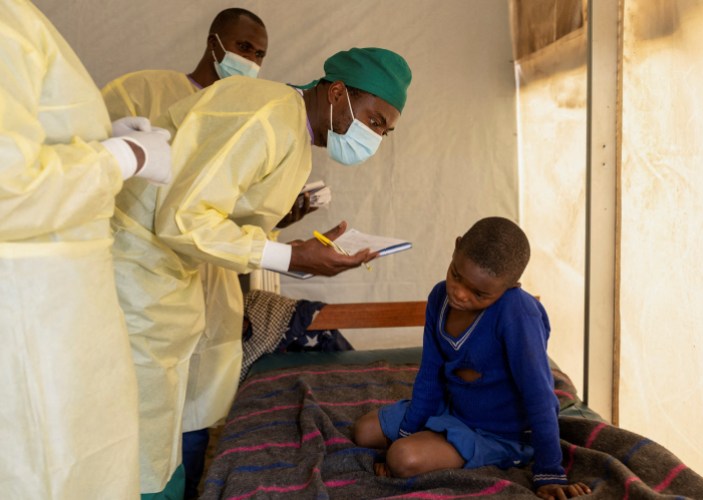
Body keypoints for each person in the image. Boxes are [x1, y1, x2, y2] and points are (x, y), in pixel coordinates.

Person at [107, 47, 412, 498]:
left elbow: (227, 217)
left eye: (386, 130)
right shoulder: (268, 116)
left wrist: (298, 247)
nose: (377, 136)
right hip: (138, 270)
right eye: (375, 120)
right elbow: (184, 219)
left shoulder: (294, 133)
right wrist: (291, 258)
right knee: (135, 424)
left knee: (167, 415)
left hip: (172, 273)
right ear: (337, 91)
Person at [0, 1, 172, 498]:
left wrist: (101, 138)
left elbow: (27, 135)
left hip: (59, 309)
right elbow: (9, 189)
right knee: (49, 472)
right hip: (33, 318)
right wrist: (124, 156)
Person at [101, 9, 271, 497]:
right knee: (135, 415)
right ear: (215, 41)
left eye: (259, 54)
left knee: (195, 416)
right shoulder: (144, 91)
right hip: (138, 287)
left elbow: (232, 217)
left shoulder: (244, 117)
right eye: (243, 47)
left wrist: (285, 218)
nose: (251, 60)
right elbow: (94, 165)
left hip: (210, 291)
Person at [351, 217, 592, 500]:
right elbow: (430, 373)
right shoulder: (439, 297)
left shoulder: (518, 313)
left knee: (403, 459)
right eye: (456, 275)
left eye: (479, 293)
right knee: (363, 432)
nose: (460, 293)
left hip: (499, 432)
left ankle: (505, 455)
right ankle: (427, 437)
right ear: (456, 249)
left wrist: (550, 470)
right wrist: (408, 431)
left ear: (511, 286)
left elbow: (539, 394)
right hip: (451, 409)